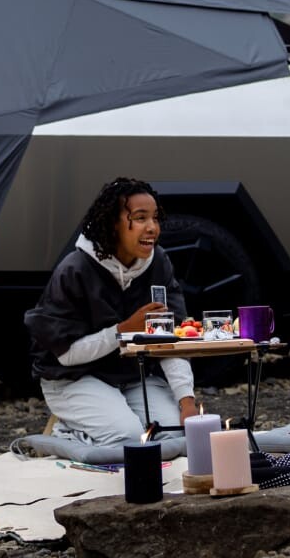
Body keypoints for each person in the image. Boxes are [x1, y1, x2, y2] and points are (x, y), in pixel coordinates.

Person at [23, 178, 197, 445]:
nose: (152, 228)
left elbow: (170, 340)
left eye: (155, 218)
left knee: (174, 433)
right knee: (127, 437)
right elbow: (67, 355)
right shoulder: (75, 270)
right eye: (140, 218)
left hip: (132, 376)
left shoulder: (159, 263)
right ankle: (67, 431)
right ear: (113, 224)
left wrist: (187, 402)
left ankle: (112, 418)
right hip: (74, 377)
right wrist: (124, 330)